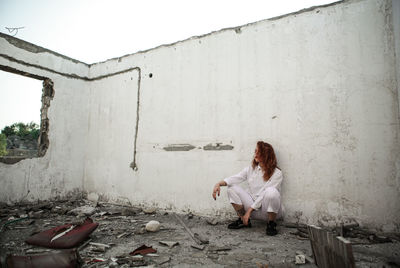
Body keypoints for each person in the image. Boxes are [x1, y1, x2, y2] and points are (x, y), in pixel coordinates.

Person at [212, 141, 283, 236]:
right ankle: (243, 220)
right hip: (253, 210)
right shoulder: (251, 169)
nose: (255, 154)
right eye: (255, 151)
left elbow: (263, 195)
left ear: (266, 155)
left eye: (259, 152)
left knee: (272, 192)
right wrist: (219, 184)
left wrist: (249, 211)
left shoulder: (277, 173)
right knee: (231, 188)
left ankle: (271, 224)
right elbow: (236, 178)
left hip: (269, 211)